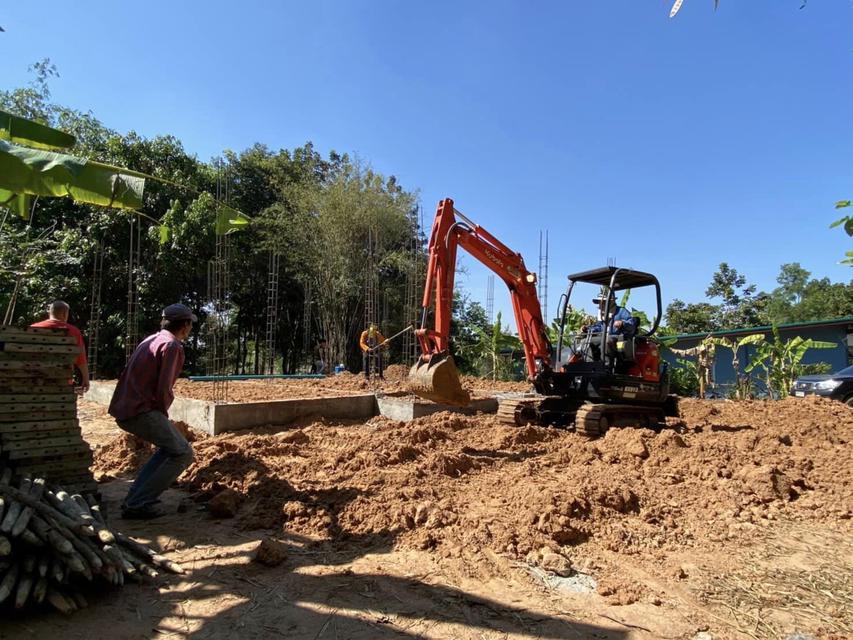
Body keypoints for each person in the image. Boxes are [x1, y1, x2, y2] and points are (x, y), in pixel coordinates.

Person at [108, 303, 197, 519]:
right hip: (141, 410)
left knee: (169, 449)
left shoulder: (152, 339)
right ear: (185, 325)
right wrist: (162, 414)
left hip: (126, 406)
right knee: (183, 453)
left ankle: (136, 497)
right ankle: (138, 503)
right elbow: (163, 388)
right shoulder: (172, 346)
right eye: (190, 325)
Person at [31, 300, 90, 393]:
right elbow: (80, 358)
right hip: (63, 381)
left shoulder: (32, 329)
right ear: (65, 313)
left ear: (50, 312)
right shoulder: (74, 332)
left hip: (35, 379)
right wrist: (86, 379)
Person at [583, 295, 637, 362]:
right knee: (586, 341)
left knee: (607, 341)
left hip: (619, 337)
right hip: (604, 337)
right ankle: (589, 364)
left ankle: (606, 366)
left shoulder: (621, 311)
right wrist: (587, 329)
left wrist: (622, 323)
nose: (601, 304)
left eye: (603, 302)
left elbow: (631, 324)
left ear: (611, 301)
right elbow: (599, 327)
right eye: (600, 302)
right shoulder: (602, 314)